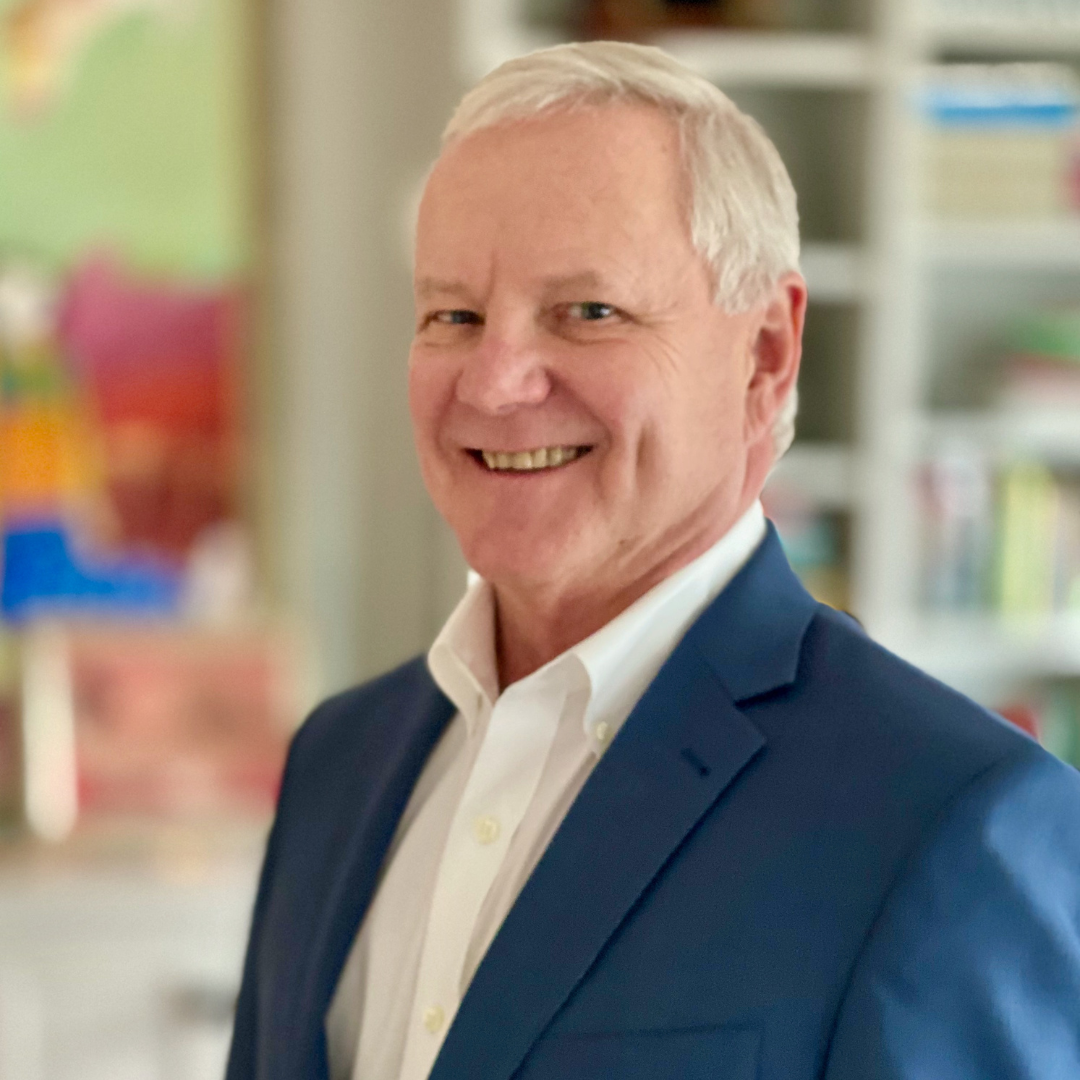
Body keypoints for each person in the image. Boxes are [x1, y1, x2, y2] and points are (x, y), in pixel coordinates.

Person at [226, 41, 1080, 1080]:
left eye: (588, 312)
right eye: (454, 315)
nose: (493, 383)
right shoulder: (336, 762)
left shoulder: (949, 822)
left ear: (765, 355)